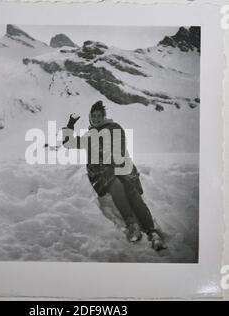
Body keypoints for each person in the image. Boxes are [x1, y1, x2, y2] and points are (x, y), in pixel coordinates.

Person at [62, 100, 166, 251]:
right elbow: (68, 143)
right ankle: (132, 225)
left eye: (99, 115)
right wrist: (71, 123)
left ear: (104, 116)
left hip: (119, 168)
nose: (96, 118)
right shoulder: (89, 135)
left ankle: (152, 232)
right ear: (90, 118)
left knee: (132, 190)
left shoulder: (114, 128)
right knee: (116, 185)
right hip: (101, 174)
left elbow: (119, 149)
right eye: (93, 116)